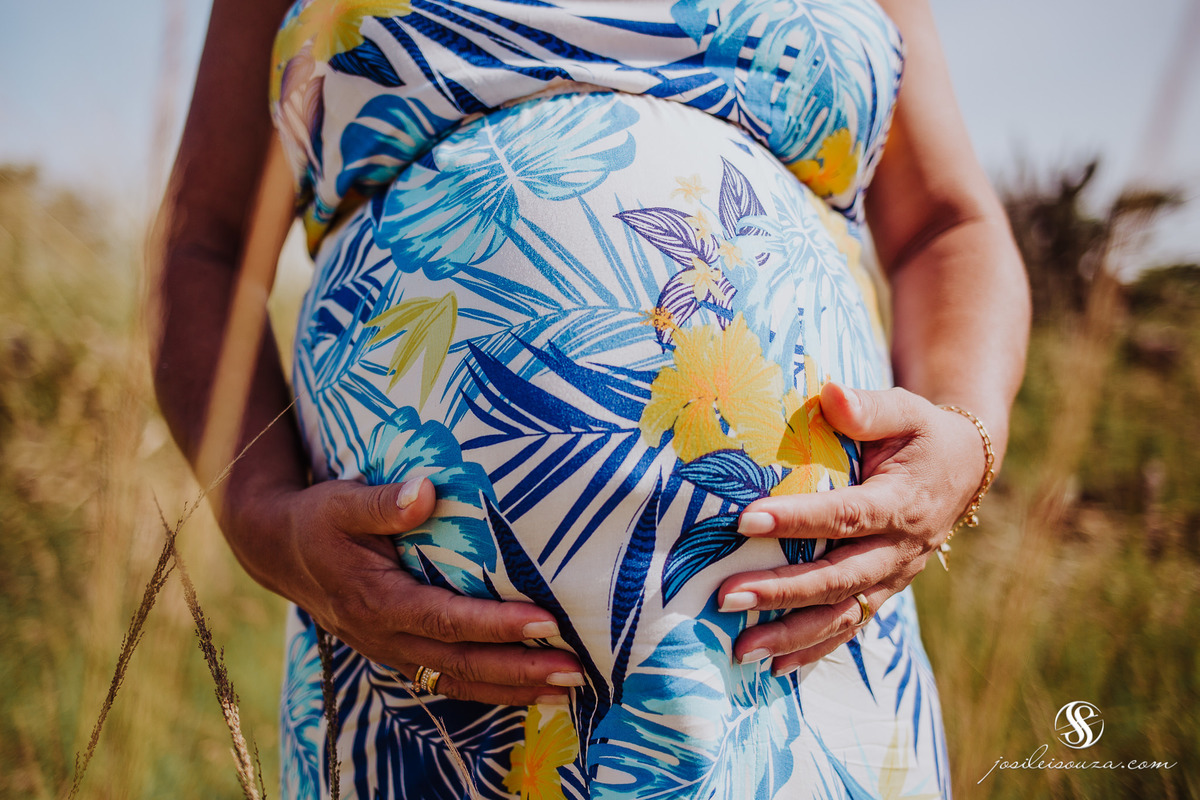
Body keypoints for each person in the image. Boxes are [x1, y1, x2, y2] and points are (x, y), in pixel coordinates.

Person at [150, 0, 1029, 797]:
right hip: (421, 701)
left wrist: (964, 440)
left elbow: (947, 225)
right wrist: (260, 519)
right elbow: (203, 246)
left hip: (806, 667)